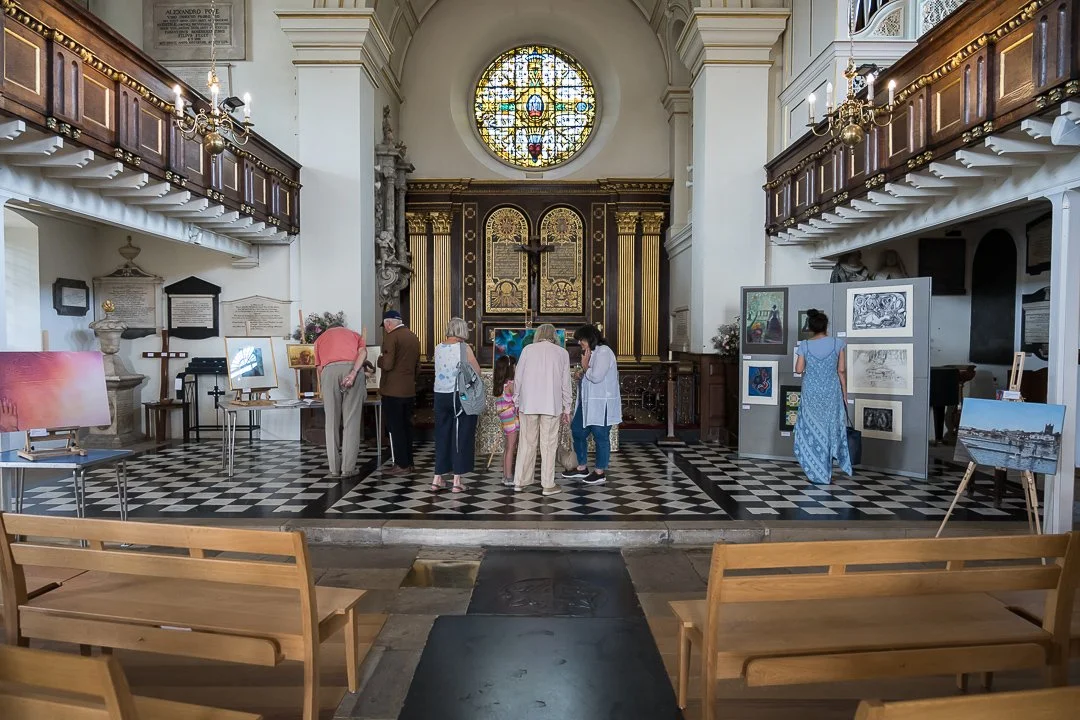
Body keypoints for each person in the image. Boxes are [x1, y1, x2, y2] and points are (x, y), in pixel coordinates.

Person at [793, 309, 853, 485]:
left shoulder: (805, 345)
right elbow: (841, 371)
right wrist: (845, 394)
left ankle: (815, 471)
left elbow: (798, 369)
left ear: (811, 328)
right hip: (831, 392)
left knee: (811, 430)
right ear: (826, 326)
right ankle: (827, 472)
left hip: (811, 392)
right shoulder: (838, 343)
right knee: (830, 430)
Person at [513, 323, 572, 496]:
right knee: (548, 445)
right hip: (551, 405)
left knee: (526, 444)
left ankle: (520, 482)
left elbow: (518, 377)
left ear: (537, 335)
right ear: (554, 336)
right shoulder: (562, 353)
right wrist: (567, 408)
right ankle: (547, 485)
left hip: (528, 404)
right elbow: (566, 383)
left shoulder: (527, 350)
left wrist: (516, 401)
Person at [562, 325, 621, 485]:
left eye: (581, 339)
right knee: (578, 431)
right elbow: (590, 375)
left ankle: (599, 472)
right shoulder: (592, 352)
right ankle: (582, 467)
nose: (579, 343)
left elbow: (596, 376)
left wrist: (585, 366)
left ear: (590, 338)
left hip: (601, 403)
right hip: (587, 402)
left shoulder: (604, 352)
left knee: (600, 436)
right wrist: (581, 374)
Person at [432, 317, 482, 493]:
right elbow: (477, 370)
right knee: (461, 435)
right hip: (459, 396)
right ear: (462, 330)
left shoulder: (438, 347)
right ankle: (456, 481)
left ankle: (437, 478)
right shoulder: (463, 348)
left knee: (442, 436)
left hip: (440, 395)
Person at [314, 322, 367, 477]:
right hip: (352, 368)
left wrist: (325, 386)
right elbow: (363, 353)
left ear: (329, 328)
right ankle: (348, 469)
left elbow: (319, 368)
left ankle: (334, 469)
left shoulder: (321, 338)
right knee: (351, 421)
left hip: (329, 372)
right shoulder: (355, 335)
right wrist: (354, 373)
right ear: (343, 327)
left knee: (331, 422)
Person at [377, 309, 421, 476]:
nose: (385, 329)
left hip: (393, 391)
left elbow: (387, 364)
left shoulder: (392, 337)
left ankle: (401, 465)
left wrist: (379, 360)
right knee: (407, 427)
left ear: (388, 323)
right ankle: (409, 463)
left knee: (396, 429)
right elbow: (418, 367)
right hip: (409, 390)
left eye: (385, 326)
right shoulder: (413, 336)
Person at [493, 355, 519, 486]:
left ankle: (505, 475)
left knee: (508, 446)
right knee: (511, 447)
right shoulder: (510, 385)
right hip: (512, 420)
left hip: (505, 420)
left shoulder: (500, 385)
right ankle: (509, 477)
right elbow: (519, 398)